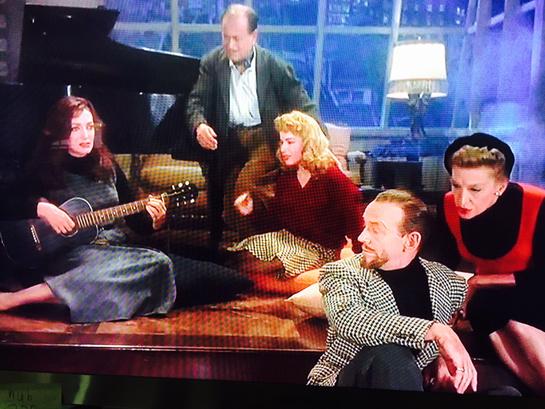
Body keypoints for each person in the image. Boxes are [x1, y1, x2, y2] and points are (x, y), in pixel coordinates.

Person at [0, 96, 250, 323]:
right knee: (154, 264)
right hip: (68, 256)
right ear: (58, 132)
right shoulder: (42, 168)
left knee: (219, 278)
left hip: (114, 254)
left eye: (90, 127)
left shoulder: (107, 166)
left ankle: (69, 295)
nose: (85, 135)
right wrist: (42, 208)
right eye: (75, 128)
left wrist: (155, 219)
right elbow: (7, 203)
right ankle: (18, 298)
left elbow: (137, 223)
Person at [308, 189, 477, 393]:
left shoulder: (446, 281)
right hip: (349, 381)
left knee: (504, 393)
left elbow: (471, 317)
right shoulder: (341, 273)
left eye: (375, 230)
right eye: (365, 226)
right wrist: (437, 331)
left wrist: (441, 356)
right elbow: (350, 320)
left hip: (416, 386)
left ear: (411, 241)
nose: (362, 237)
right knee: (390, 355)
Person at [185, 3, 322, 252]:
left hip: (264, 138)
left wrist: (324, 145)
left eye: (237, 38)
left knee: (243, 190)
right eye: (225, 37)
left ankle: (257, 252)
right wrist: (199, 126)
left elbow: (304, 105)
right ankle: (253, 249)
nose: (230, 45)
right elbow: (196, 102)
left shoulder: (275, 66)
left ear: (254, 36)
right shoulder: (212, 63)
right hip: (229, 141)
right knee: (230, 206)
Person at [427, 132, 545, 395]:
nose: (462, 199)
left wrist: (481, 281)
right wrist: (445, 310)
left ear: (500, 186)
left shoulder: (538, 204)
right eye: (456, 185)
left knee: (492, 305)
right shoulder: (448, 206)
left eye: (475, 189)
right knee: (485, 307)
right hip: (488, 301)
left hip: (536, 289)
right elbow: (440, 266)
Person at [226, 110, 363, 295]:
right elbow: (275, 223)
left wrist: (363, 264)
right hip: (287, 240)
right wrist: (252, 211)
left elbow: (356, 226)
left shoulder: (333, 178)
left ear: (307, 143)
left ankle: (268, 285)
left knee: (254, 267)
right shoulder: (287, 176)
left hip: (320, 250)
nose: (283, 149)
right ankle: (266, 284)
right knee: (239, 258)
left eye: (290, 142)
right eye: (281, 142)